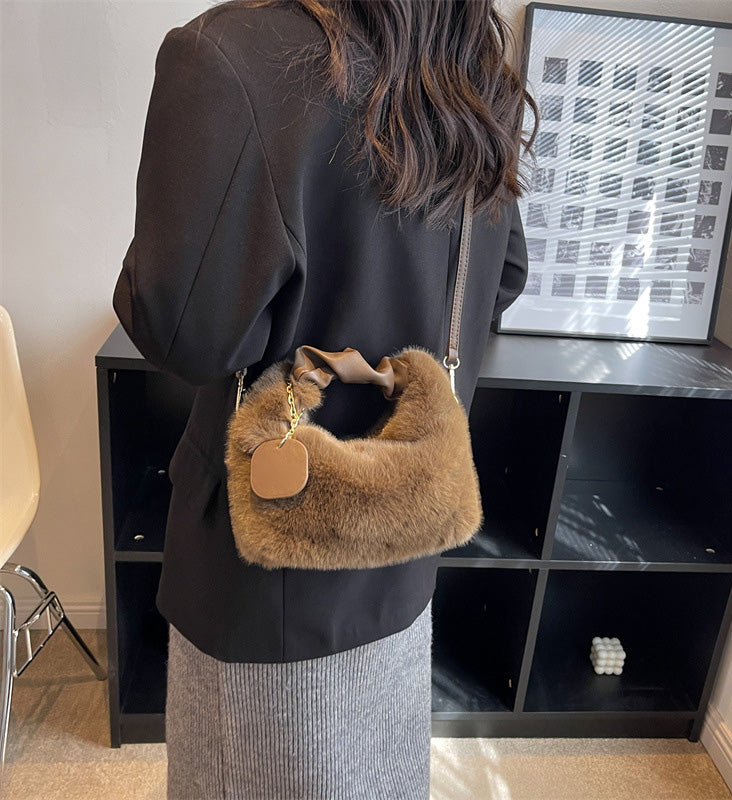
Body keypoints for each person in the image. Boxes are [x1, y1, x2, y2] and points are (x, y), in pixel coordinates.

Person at [112, 0, 537, 797]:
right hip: (403, 540)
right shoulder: (477, 74)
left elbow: (185, 334)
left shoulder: (232, 55)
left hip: (265, 567)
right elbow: (503, 277)